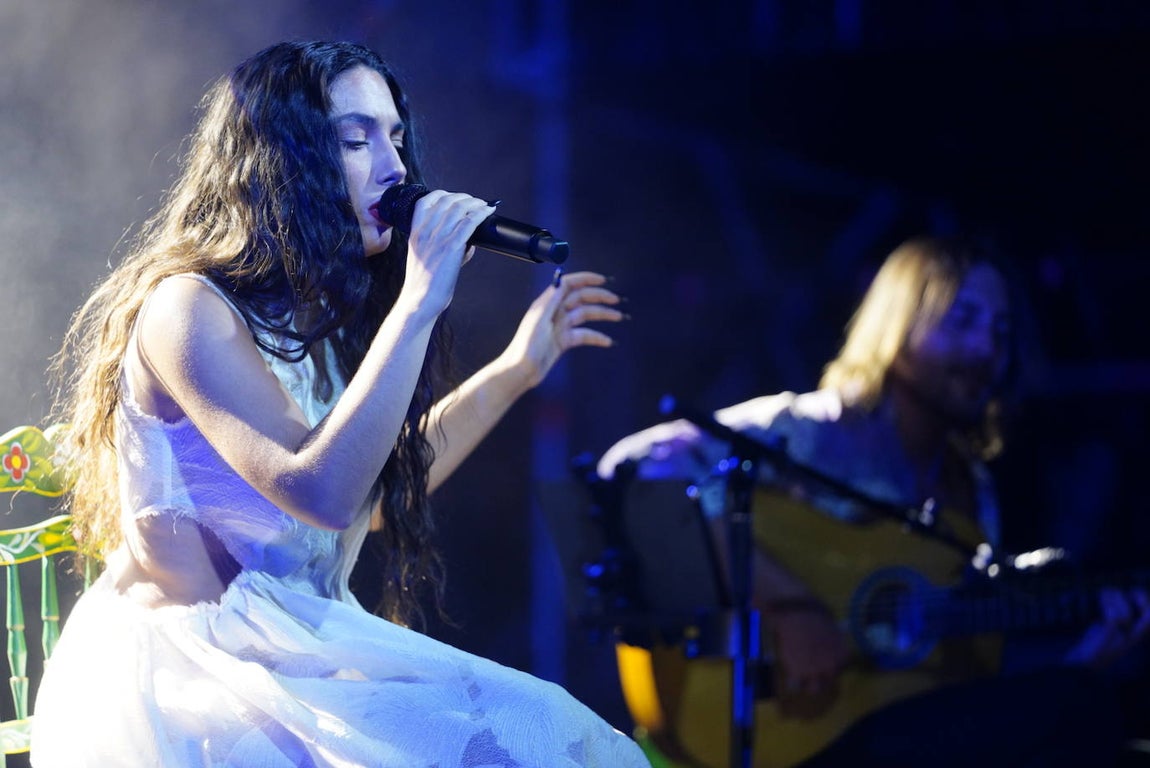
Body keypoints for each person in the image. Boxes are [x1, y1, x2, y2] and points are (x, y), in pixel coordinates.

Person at [31, 40, 650, 767]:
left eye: (394, 138)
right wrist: (417, 303)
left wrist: (515, 369)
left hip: (293, 661)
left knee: (560, 738)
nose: (393, 167)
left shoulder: (313, 324)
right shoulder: (188, 311)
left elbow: (372, 496)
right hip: (193, 682)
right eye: (354, 140)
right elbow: (318, 489)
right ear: (280, 164)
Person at [597, 236, 1150, 767]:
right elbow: (641, 465)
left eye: (1002, 332)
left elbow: (964, 679)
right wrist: (790, 606)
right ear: (900, 322)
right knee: (1080, 709)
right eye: (963, 321)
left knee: (1101, 711)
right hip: (787, 728)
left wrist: (1079, 663)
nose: (987, 351)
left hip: (890, 724)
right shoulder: (817, 430)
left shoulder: (969, 485)